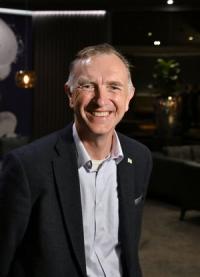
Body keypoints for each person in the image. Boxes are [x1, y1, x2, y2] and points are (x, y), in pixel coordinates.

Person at [0, 43, 152, 277]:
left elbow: (127, 249)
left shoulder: (140, 158)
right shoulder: (26, 166)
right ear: (70, 95)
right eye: (88, 86)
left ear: (129, 97)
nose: (101, 100)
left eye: (114, 87)